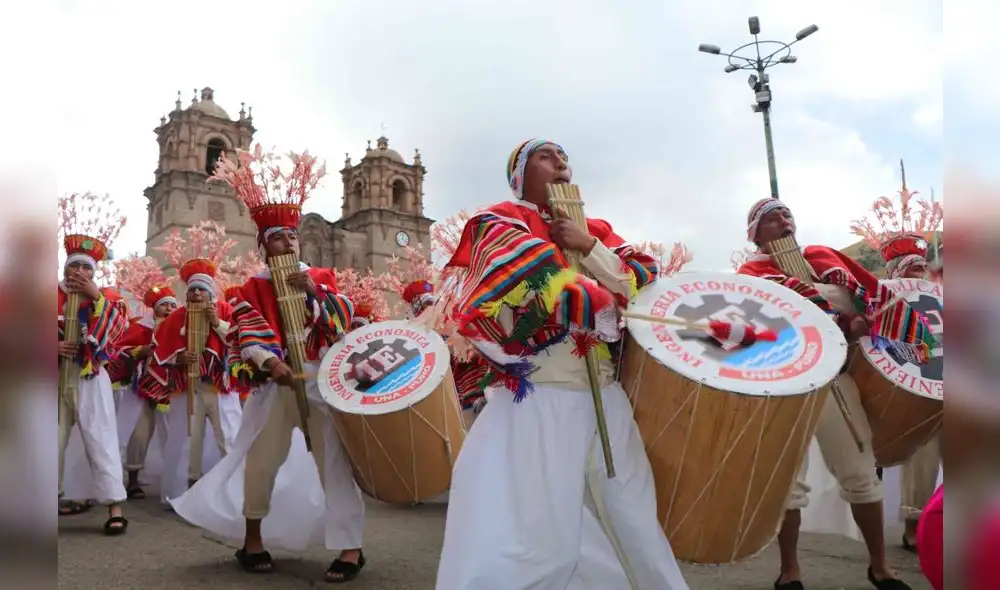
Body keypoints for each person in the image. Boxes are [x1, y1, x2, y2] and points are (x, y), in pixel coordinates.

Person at [435, 138, 689, 589]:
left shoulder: (598, 231)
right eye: (545, 156)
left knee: (632, 515)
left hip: (605, 396)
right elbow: (517, 289)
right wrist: (589, 291)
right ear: (520, 176)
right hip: (540, 397)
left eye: (564, 157)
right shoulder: (498, 224)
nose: (560, 164)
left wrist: (587, 246)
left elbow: (639, 283)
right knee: (539, 534)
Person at [171, 151, 366, 584]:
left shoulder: (321, 277)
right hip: (273, 385)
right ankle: (252, 540)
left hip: (319, 381)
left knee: (333, 463)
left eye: (292, 236)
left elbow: (343, 320)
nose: (289, 243)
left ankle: (351, 548)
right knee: (260, 462)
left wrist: (314, 293)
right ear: (264, 246)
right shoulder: (252, 288)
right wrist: (268, 359)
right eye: (278, 238)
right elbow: (246, 326)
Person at [737, 198, 934, 590]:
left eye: (787, 215)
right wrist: (820, 311)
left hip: (834, 378)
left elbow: (871, 304)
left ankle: (881, 568)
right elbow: (753, 326)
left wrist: (858, 323)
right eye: (772, 219)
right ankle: (789, 571)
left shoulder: (827, 261)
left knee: (861, 472)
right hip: (782, 382)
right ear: (756, 235)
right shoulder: (749, 276)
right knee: (788, 482)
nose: (783, 222)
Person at [140, 258, 241, 499]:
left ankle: (235, 493)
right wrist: (178, 357)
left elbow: (239, 340)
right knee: (185, 439)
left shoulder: (226, 310)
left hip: (220, 385)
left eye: (202, 289)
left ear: (211, 292)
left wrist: (217, 323)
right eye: (192, 289)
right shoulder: (177, 317)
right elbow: (160, 349)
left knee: (230, 435)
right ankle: (179, 494)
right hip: (187, 387)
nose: (196, 293)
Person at [57, 232, 130, 534]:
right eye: (75, 267)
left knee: (101, 438)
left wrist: (96, 296)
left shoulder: (107, 296)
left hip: (90, 375)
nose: (81, 273)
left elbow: (118, 327)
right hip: (52, 378)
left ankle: (115, 507)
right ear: (65, 269)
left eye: (87, 268)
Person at [877, 233, 942, 552]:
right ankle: (914, 528)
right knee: (921, 460)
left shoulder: (944, 299)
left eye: (920, 268)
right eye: (910, 269)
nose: (917, 273)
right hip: (913, 391)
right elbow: (880, 348)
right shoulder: (883, 301)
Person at [111, 284, 178, 499]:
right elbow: (119, 350)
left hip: (172, 390)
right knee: (138, 435)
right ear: (155, 309)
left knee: (175, 436)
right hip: (141, 390)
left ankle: (176, 481)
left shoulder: (182, 329)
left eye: (172, 305)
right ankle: (132, 481)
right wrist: (142, 350)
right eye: (164, 305)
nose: (168, 309)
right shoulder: (140, 328)